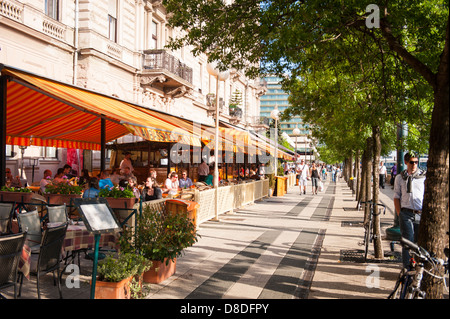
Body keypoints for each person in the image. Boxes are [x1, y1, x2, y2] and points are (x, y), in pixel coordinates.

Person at [393, 152, 426, 269]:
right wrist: (399, 213)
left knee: (418, 241)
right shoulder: (400, 178)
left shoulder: (423, 177)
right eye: (412, 162)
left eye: (416, 162)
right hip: (406, 213)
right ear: (406, 162)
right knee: (408, 240)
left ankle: (417, 265)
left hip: (420, 213)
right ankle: (407, 267)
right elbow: (396, 196)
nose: (414, 165)